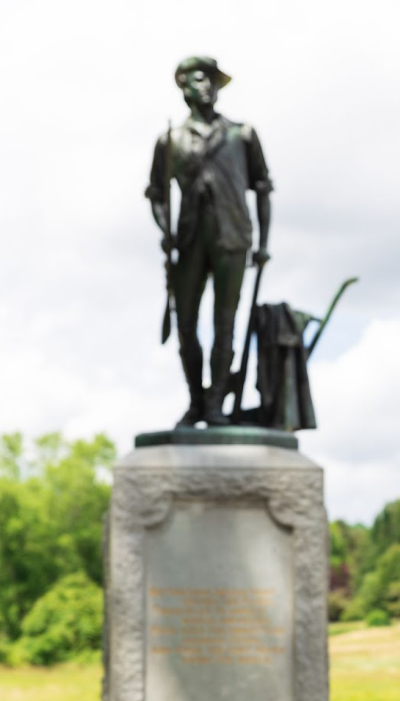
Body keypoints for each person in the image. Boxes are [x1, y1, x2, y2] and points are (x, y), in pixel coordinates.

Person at [146, 56, 272, 425]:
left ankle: (216, 401)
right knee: (185, 324)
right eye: (200, 80)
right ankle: (196, 400)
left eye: (213, 81)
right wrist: (165, 230)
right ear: (184, 87)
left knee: (225, 322)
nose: (208, 87)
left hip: (232, 236)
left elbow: (263, 188)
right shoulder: (170, 139)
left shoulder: (241, 134)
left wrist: (263, 242)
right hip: (188, 239)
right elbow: (156, 192)